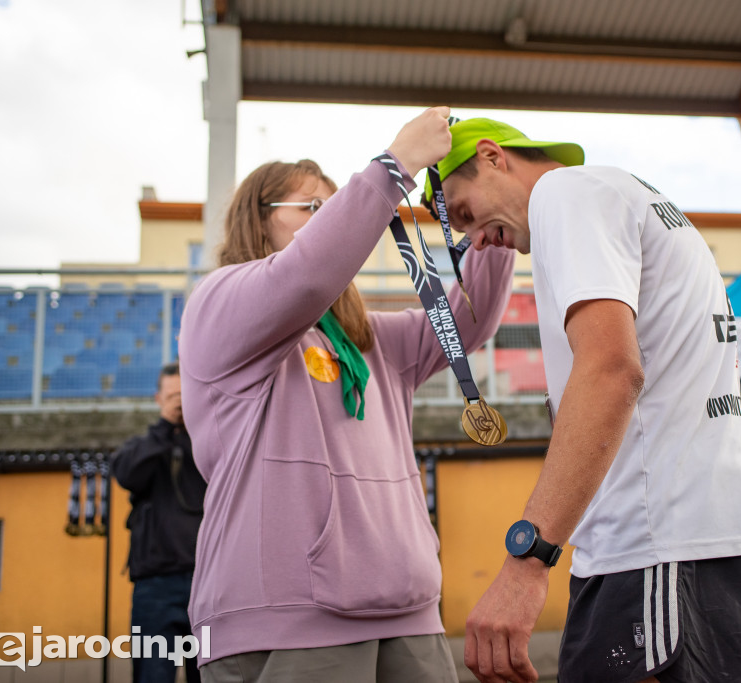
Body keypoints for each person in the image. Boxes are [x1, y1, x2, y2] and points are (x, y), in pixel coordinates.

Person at [427, 118, 741, 683]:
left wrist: (526, 562)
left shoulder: (566, 193)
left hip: (656, 548)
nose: (473, 237)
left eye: (464, 213)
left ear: (494, 157)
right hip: (694, 545)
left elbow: (611, 371)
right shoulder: (624, 195)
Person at [179, 107, 515, 682]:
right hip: (283, 615)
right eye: (312, 208)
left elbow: (469, 323)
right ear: (256, 223)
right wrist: (396, 167)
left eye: (335, 209)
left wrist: (489, 216)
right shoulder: (219, 304)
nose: (332, 222)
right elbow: (304, 275)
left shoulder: (373, 339)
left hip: (407, 609)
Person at [111, 361, 205, 683]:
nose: (179, 402)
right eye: (172, 396)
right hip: (156, 588)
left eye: (184, 394)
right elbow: (125, 474)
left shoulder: (208, 445)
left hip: (206, 585)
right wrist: (166, 426)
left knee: (209, 676)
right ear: (157, 399)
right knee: (153, 675)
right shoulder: (143, 446)